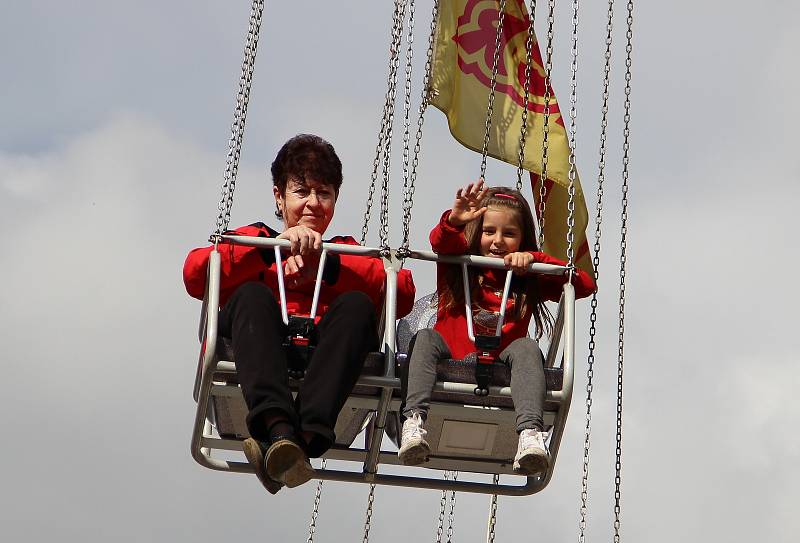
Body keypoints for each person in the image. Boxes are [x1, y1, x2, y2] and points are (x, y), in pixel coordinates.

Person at [184, 134, 416, 494]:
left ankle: (290, 444)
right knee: (251, 296)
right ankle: (281, 429)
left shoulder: (348, 252)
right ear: (279, 196)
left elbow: (400, 293)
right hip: (260, 342)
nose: (313, 203)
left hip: (323, 352)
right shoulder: (256, 240)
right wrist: (270, 250)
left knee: (357, 307)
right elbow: (196, 274)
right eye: (302, 192)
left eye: (324, 193)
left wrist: (329, 264)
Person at [397, 180, 595, 475]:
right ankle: (414, 421)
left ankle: (530, 434)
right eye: (489, 231)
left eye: (509, 234)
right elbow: (441, 242)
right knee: (425, 338)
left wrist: (535, 261)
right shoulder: (459, 263)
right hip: (452, 351)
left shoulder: (526, 275)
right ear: (477, 233)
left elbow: (584, 285)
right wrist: (455, 220)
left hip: (503, 358)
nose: (498, 241)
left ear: (522, 240)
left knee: (527, 347)